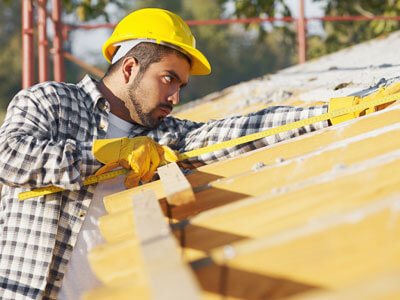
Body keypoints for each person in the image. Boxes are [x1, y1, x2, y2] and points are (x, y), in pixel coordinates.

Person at [0, 7, 395, 300]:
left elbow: (238, 131)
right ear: (129, 69)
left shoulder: (163, 138)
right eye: (168, 79)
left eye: (181, 87)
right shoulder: (50, 101)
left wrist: (332, 111)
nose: (174, 97)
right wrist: (107, 154)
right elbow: (11, 156)